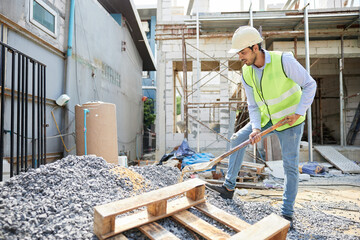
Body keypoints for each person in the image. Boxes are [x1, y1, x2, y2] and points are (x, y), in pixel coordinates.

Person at [206, 26, 317, 228]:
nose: (240, 57)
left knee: (290, 166)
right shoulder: (246, 71)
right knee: (238, 139)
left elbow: (310, 84)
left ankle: (287, 213)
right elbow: (253, 105)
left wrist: (300, 112)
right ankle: (229, 188)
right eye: (239, 53)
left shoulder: (284, 61)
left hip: (290, 121)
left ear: (255, 47)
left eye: (243, 52)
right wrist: (256, 128)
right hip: (267, 119)